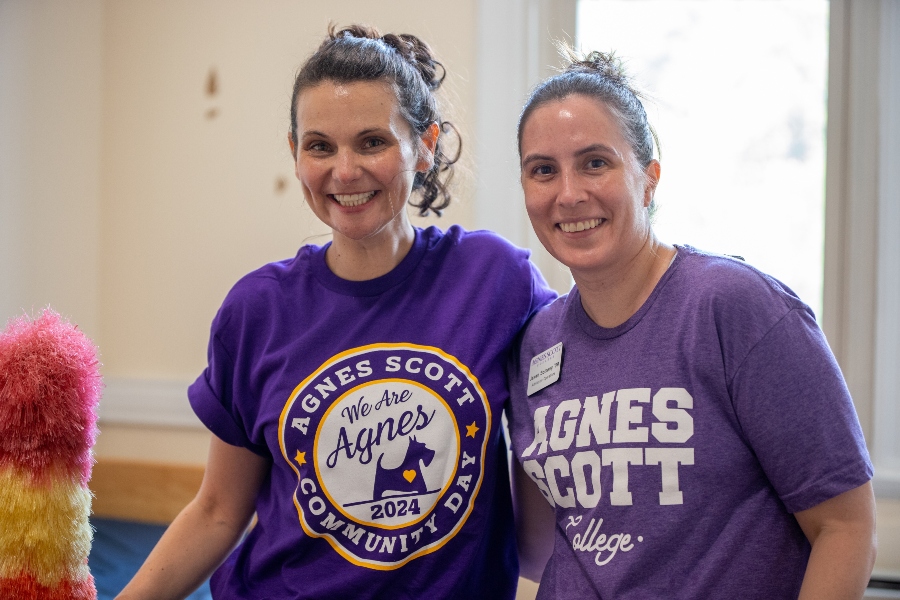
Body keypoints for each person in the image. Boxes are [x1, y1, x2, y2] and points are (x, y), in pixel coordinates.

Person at [117, 25, 555, 600]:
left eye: (372, 141)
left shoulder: (496, 280)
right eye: (320, 145)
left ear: (424, 145)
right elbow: (219, 510)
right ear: (295, 154)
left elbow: (579, 402)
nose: (344, 171)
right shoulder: (256, 311)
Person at [507, 49, 877, 599]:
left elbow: (846, 529)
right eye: (543, 170)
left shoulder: (734, 307)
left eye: (595, 162)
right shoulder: (537, 340)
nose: (568, 193)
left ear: (649, 177)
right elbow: (538, 546)